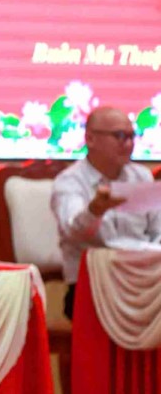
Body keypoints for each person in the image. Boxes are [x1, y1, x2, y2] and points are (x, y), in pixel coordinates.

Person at [51, 105, 161, 319]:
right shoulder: (69, 182)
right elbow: (73, 232)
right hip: (92, 286)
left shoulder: (141, 177)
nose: (128, 144)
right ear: (90, 139)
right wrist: (94, 211)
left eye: (132, 136)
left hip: (143, 280)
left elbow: (157, 229)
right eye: (119, 136)